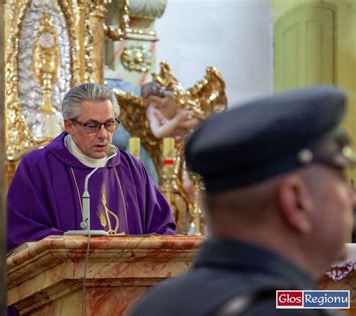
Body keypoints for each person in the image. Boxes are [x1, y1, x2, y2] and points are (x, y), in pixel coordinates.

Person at [129, 86, 356, 316]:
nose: (352, 199)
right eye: (341, 181)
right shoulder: (295, 311)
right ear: (296, 200)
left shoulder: (154, 306)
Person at [7, 83, 176, 251]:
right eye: (92, 126)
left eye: (109, 124)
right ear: (69, 125)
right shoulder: (37, 167)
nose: (103, 135)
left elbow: (163, 229)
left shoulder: (131, 168)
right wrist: (75, 246)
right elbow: (20, 233)